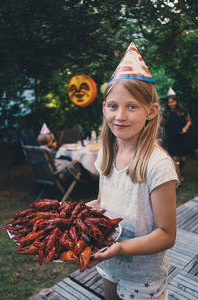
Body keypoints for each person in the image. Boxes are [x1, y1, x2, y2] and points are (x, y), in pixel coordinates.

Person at [87, 42, 178, 300]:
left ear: (151, 111)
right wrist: (79, 214)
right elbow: (104, 202)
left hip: (144, 276)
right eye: (113, 106)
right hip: (109, 264)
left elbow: (166, 234)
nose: (120, 116)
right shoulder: (106, 153)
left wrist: (120, 248)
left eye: (132, 106)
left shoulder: (158, 165)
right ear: (104, 108)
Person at [161, 88, 191, 184]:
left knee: (183, 159)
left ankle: (178, 172)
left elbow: (189, 121)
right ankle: (178, 177)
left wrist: (185, 128)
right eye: (169, 102)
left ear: (176, 101)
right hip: (171, 137)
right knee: (175, 159)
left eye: (172, 102)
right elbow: (158, 123)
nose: (171, 104)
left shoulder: (183, 110)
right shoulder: (166, 112)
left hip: (182, 137)